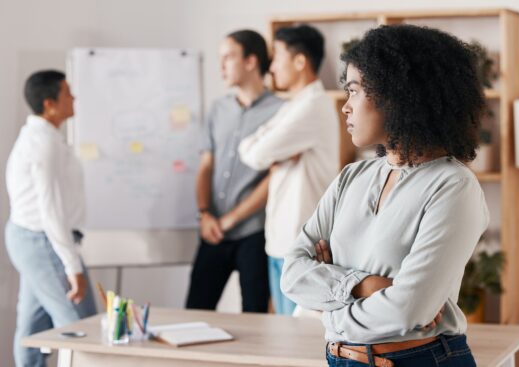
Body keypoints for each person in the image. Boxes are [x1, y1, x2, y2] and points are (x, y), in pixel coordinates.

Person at [281, 25, 489, 367]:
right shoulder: (352, 177)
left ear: (398, 94)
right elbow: (292, 273)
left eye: (355, 91)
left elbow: (409, 308)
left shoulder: (454, 186)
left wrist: (327, 315)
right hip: (341, 360)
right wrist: (363, 285)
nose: (346, 107)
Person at [238, 24, 340, 315]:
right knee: (285, 331)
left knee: (297, 338)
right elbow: (249, 148)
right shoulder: (293, 106)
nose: (271, 67)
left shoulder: (313, 106)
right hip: (281, 239)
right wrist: (275, 153)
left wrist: (271, 153)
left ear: (299, 61)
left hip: (300, 242)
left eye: (277, 57)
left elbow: (258, 153)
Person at [185, 30, 283, 312]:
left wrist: (230, 220)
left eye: (228, 57)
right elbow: (206, 166)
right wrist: (205, 214)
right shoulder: (218, 109)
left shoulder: (281, 111)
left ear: (251, 61)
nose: (222, 66)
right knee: (196, 309)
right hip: (211, 228)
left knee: (255, 317)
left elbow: (274, 178)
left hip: (253, 233)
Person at [5, 70, 97, 367]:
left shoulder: (46, 138)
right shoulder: (41, 143)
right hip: (42, 240)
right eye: (68, 93)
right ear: (49, 104)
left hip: (35, 239)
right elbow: (51, 211)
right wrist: (73, 267)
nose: (74, 98)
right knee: (82, 328)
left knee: (32, 328)